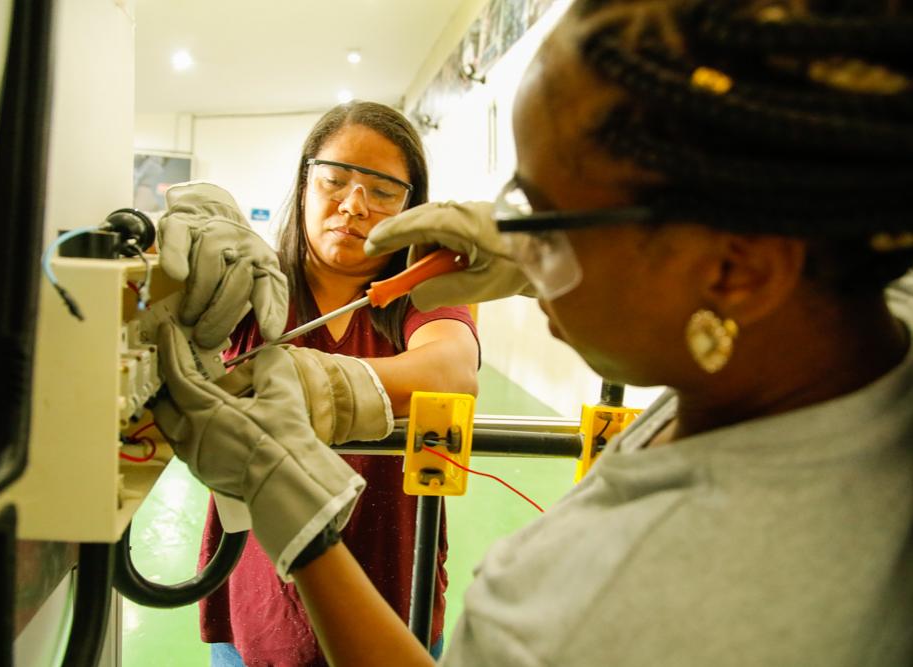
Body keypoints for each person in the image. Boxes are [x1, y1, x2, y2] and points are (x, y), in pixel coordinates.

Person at [153, 1, 913, 665]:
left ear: (735, 271)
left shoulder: (577, 610)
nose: (516, 239)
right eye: (512, 203)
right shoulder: (863, 330)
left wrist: (306, 530)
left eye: (543, 212)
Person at [156, 101, 479, 666]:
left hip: (393, 593)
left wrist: (310, 381)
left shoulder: (425, 289)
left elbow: (451, 372)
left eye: (382, 192)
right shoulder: (253, 282)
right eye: (335, 180)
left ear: (411, 207)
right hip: (255, 605)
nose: (353, 206)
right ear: (304, 183)